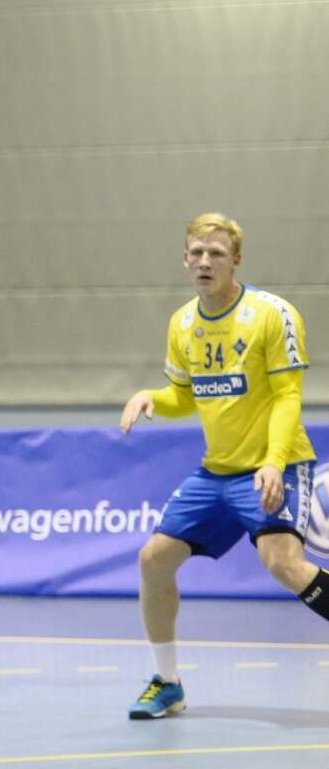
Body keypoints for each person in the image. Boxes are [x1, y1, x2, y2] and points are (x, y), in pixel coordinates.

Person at [117, 213, 322, 719]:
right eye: (197, 253)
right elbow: (185, 396)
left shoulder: (272, 314)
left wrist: (273, 462)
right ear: (185, 259)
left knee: (284, 564)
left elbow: (288, 396)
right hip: (217, 472)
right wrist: (152, 397)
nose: (205, 262)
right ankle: (168, 684)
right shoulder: (182, 323)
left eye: (216, 254)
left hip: (277, 464)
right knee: (153, 559)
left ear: (236, 261)